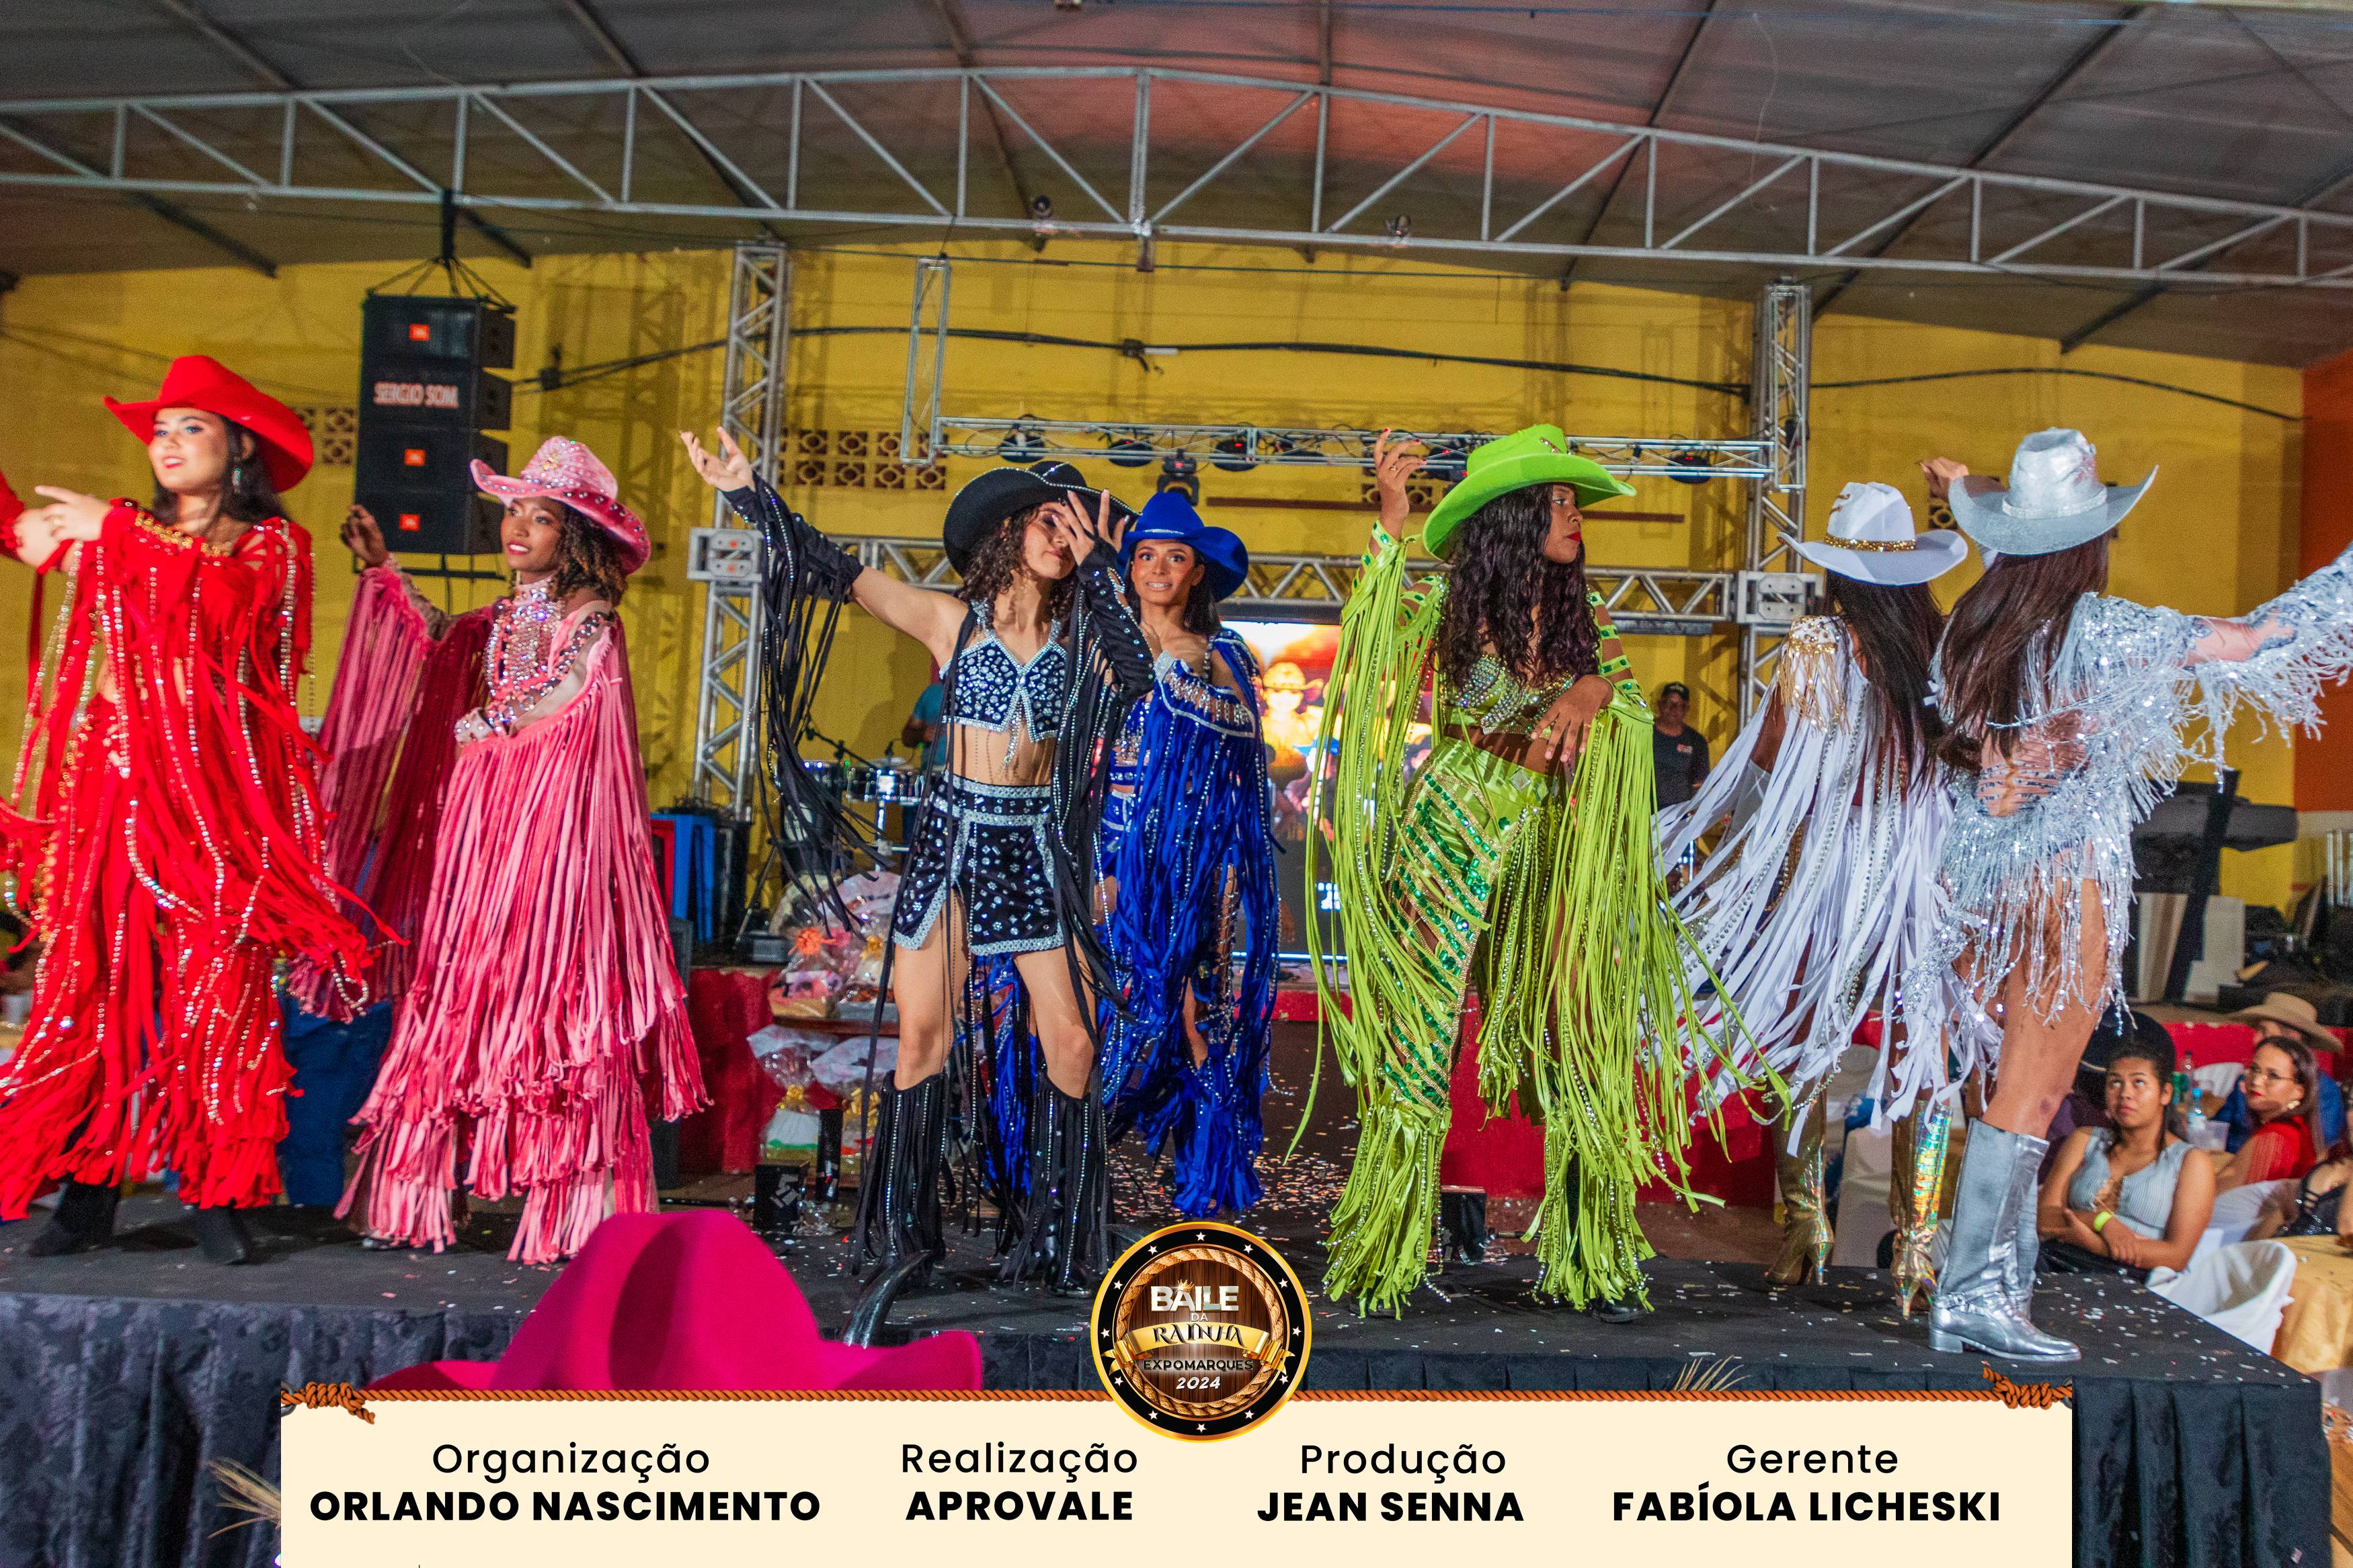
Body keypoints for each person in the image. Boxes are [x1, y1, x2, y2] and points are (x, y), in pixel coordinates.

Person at [684, 428, 1155, 1319]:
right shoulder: (951, 621)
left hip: (1032, 844)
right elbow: (832, 569)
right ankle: (907, 1237)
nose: (1062, 538)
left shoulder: (1087, 636)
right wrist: (748, 493)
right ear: (1009, 529)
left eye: (1075, 526)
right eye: (1049, 522)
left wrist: (1101, 565)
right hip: (951, 838)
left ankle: (1057, 1239)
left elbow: (1136, 678)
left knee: (1074, 1044)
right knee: (923, 1040)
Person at [1919, 427, 2353, 1362]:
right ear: (2087, 544)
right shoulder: (2103, 630)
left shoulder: (1981, 623)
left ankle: (1989, 1287)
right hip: (2062, 879)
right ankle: (1974, 1295)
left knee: (2010, 1090)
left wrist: (1973, 494)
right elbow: (2255, 640)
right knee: (2030, 1096)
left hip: (1981, 880)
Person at [1308, 426, 1755, 1317]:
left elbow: (1629, 712)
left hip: (1561, 840)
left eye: (1575, 502)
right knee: (1421, 1037)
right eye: (1557, 501)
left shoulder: (1591, 628)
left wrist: (1595, 689)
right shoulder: (1450, 608)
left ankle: (1590, 1258)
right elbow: (1371, 641)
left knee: (1580, 1030)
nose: (1574, 515)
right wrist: (1391, 522)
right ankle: (1386, 1254)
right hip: (1457, 824)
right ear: (1513, 517)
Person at [0, 356, 368, 1264]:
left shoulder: (269, 546)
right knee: (91, 988)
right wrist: (99, 530)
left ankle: (218, 1191)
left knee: (218, 991)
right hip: (111, 792)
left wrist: (117, 529)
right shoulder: (122, 533)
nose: (166, 444)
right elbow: (24, 533)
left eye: (189, 428)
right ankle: (86, 1190)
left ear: (238, 447)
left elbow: (227, 604)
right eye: (159, 430)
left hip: (212, 808)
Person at [340, 438, 704, 1265]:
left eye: (540, 518)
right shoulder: (502, 617)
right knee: (458, 991)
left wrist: (490, 724)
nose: (518, 528)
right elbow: (439, 640)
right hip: (482, 831)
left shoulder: (591, 618)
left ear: (573, 537)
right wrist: (384, 571)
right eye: (513, 512)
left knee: (549, 1004)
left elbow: (569, 687)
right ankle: (417, 1195)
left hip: (544, 841)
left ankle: (576, 1207)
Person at [1662, 479, 1970, 1309]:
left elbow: (1768, 759)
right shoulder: (1943, 646)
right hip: (1916, 877)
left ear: (1838, 572)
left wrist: (1751, 843)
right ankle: (1915, 1248)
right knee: (1923, 1058)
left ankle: (1805, 1225)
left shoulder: (1815, 644)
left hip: (1826, 873)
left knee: (1802, 1050)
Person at [1096, 491, 1279, 1218]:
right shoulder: (1099, 646)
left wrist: (1180, 680)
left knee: (1199, 1014)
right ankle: (1075, 1177)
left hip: (1195, 858)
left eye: (1175, 557)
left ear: (1196, 572)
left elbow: (1251, 740)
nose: (1158, 568)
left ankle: (1206, 1181)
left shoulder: (1219, 651)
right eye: (1145, 554)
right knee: (1101, 1002)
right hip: (1109, 847)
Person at [2036, 1023, 2215, 1278]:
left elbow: (2177, 1256)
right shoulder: (2085, 1139)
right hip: (2056, 1261)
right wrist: (2101, 1221)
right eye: (2115, 1083)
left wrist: (2095, 1244)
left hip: (2132, 1279)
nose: (2125, 1094)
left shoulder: (2190, 1162)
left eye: (2139, 1082)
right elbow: (2044, 1217)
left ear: (2165, 1093)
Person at [2202, 992, 2346, 1151]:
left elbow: (2316, 1149)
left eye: (2264, 1032)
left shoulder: (2322, 1090)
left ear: (2292, 1038)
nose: (2255, 1039)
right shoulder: (2248, 1079)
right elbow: (2217, 1128)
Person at [2210, 1035, 2322, 1192]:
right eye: (2255, 1069)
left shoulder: (2274, 1138)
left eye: (2273, 1076)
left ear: (2299, 1091)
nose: (2256, 1081)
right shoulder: (2294, 1129)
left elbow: (2212, 1196)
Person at [1651, 681, 1710, 808]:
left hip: (1678, 814)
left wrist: (1693, 811)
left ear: (1687, 709)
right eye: (1669, 703)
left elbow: (1700, 783)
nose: (1674, 709)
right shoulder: (1644, 732)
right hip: (1641, 811)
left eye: (1680, 705)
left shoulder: (1696, 741)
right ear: (1660, 704)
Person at [901, 677, 948, 770]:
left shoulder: (978, 693)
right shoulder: (932, 692)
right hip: (933, 770)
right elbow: (907, 738)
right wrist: (923, 734)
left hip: (970, 772)